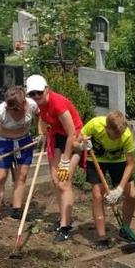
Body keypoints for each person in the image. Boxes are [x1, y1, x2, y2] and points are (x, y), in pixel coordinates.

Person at [26, 74, 83, 242]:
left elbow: (72, 133)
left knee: (64, 181)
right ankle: (62, 219)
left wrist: (65, 160)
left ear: (46, 89)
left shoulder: (58, 104)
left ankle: (66, 226)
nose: (36, 96)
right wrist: (41, 133)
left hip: (73, 140)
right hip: (56, 137)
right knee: (56, 181)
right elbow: (42, 119)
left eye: (39, 92)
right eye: (32, 94)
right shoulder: (39, 104)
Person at [0, 86, 40, 229]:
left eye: (17, 108)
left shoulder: (31, 105)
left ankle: (17, 210)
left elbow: (40, 116)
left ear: (24, 103)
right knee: (0, 178)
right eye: (11, 109)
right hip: (3, 143)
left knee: (22, 176)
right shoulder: (0, 111)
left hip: (24, 142)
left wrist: (40, 133)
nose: (14, 111)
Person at [79, 111, 135, 251]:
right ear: (107, 128)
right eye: (115, 135)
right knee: (97, 195)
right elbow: (77, 139)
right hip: (96, 160)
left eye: (120, 134)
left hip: (118, 161)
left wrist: (119, 189)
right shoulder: (95, 125)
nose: (119, 137)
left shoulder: (127, 135)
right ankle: (102, 237)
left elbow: (130, 164)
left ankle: (125, 229)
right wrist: (82, 145)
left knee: (131, 195)